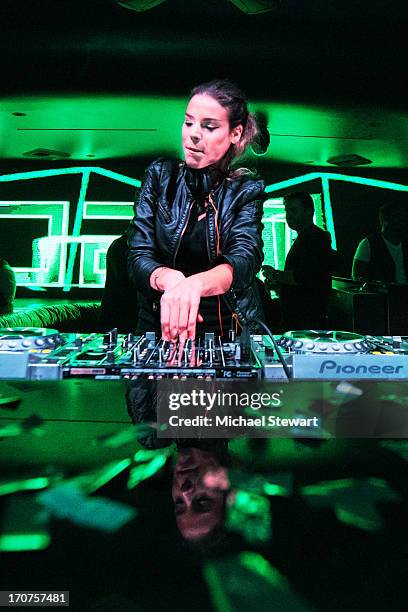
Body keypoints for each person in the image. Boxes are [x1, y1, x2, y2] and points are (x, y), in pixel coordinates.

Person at [127, 80, 265, 344]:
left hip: (230, 330)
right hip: (159, 327)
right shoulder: (159, 177)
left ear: (235, 134)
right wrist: (169, 278)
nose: (193, 134)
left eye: (209, 126)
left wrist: (195, 285)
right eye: (188, 122)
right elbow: (137, 255)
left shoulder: (247, 189)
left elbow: (246, 258)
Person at [262, 191, 332, 330]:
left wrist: (275, 275)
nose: (289, 216)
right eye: (287, 211)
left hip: (306, 319)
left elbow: (304, 276)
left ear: (309, 211)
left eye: (293, 210)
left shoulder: (315, 237)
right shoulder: (308, 236)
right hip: (301, 317)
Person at [352, 203, 408, 284]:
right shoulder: (368, 243)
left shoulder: (405, 242)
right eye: (397, 217)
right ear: (385, 219)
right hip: (383, 295)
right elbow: (357, 276)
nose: (401, 221)